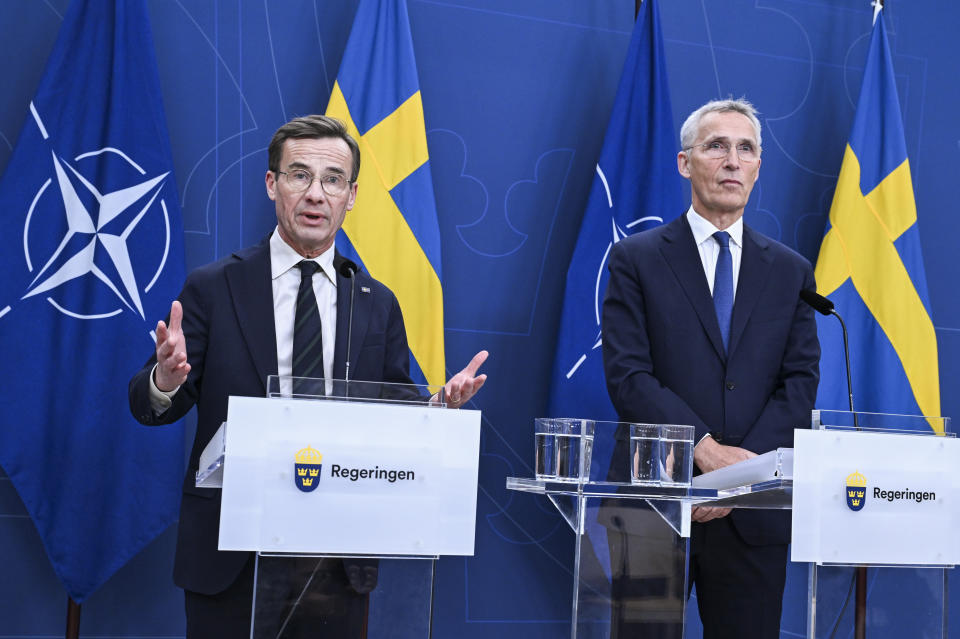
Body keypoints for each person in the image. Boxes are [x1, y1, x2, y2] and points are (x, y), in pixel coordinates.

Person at [129, 115, 487, 637]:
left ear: (353, 195)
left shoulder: (377, 303)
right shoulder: (214, 287)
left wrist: (439, 411)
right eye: (300, 175)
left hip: (336, 559)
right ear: (273, 184)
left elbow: (397, 409)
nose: (316, 194)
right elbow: (147, 405)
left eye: (333, 179)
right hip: (233, 554)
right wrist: (165, 377)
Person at [601, 98, 819, 638]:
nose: (732, 160)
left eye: (746, 149)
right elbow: (629, 377)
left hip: (752, 512)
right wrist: (702, 451)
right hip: (655, 502)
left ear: (758, 168)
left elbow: (799, 384)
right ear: (685, 162)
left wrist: (738, 479)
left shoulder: (791, 271)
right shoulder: (636, 258)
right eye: (717, 145)